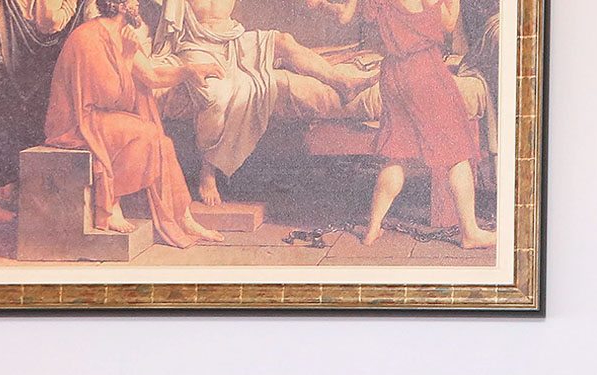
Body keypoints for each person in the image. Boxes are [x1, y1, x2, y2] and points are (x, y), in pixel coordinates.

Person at [152, 0, 378, 205]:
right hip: (197, 46)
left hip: (233, 38)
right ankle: (208, 170)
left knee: (284, 41)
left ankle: (342, 83)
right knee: (215, 97)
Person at [44, 0, 224, 244]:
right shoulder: (89, 37)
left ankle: (183, 217)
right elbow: (111, 99)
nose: (137, 4)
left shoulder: (122, 34)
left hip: (101, 115)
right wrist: (127, 57)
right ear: (118, 5)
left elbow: (152, 76)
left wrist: (189, 71)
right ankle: (111, 204)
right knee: (146, 134)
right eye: (132, 1)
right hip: (77, 122)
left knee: (164, 143)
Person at [323, 0, 495, 248]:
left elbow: (344, 15)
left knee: (397, 155)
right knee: (458, 154)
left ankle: (373, 228)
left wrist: (322, 4)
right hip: (424, 70)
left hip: (393, 74)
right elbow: (447, 23)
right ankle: (470, 233)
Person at [0, 0, 88, 225]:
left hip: (47, 85)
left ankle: (28, 204)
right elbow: (49, 21)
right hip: (6, 77)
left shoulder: (79, 9)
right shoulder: (2, 9)